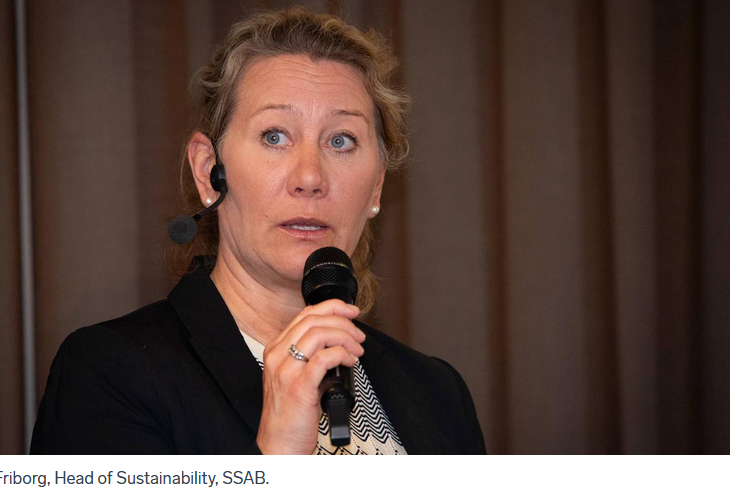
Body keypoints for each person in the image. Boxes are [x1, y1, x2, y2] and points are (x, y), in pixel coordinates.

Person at [30, 7, 485, 455]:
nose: (310, 177)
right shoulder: (110, 372)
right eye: (275, 136)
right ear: (209, 172)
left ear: (377, 186)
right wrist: (278, 453)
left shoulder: (439, 394)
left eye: (341, 140)